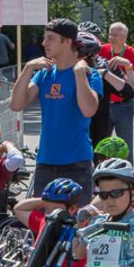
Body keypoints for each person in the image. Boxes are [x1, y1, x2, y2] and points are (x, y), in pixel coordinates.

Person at [10, 18, 102, 207]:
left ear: (68, 41)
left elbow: (88, 109)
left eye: (50, 38)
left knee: (76, 225)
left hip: (77, 163)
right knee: (44, 226)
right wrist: (28, 69)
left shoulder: (89, 74)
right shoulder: (44, 74)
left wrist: (78, 74)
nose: (44, 43)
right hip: (46, 161)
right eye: (45, 38)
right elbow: (16, 104)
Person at [77, 25, 134, 150]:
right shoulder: (66, 64)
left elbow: (130, 92)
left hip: (99, 127)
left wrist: (106, 73)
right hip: (75, 128)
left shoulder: (105, 64)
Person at [13, 178, 86, 267]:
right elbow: (19, 208)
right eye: (47, 208)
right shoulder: (45, 221)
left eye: (56, 209)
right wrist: (46, 200)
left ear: (72, 209)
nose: (50, 213)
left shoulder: (83, 225)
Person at [98, 22, 134, 163]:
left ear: (125, 37)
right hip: (104, 105)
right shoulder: (101, 50)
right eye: (110, 34)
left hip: (124, 107)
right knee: (100, 146)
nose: (112, 38)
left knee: (125, 147)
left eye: (116, 35)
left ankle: (128, 180)